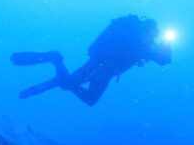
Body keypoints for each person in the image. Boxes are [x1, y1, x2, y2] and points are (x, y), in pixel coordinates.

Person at [11, 15, 173, 105]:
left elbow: (161, 59)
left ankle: (57, 75)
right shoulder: (144, 43)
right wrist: (165, 49)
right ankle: (55, 59)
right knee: (70, 85)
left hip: (107, 70)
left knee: (89, 98)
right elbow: (162, 59)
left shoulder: (143, 41)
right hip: (101, 65)